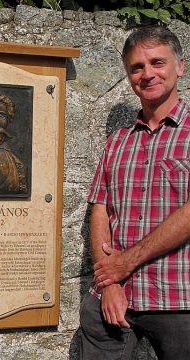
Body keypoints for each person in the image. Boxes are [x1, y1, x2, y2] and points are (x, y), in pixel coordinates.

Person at [79, 25, 190, 359]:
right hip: (113, 301)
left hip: (178, 300)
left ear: (179, 67)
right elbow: (100, 208)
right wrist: (109, 282)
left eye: (158, 62)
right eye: (137, 67)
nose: (147, 74)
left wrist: (125, 262)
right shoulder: (118, 141)